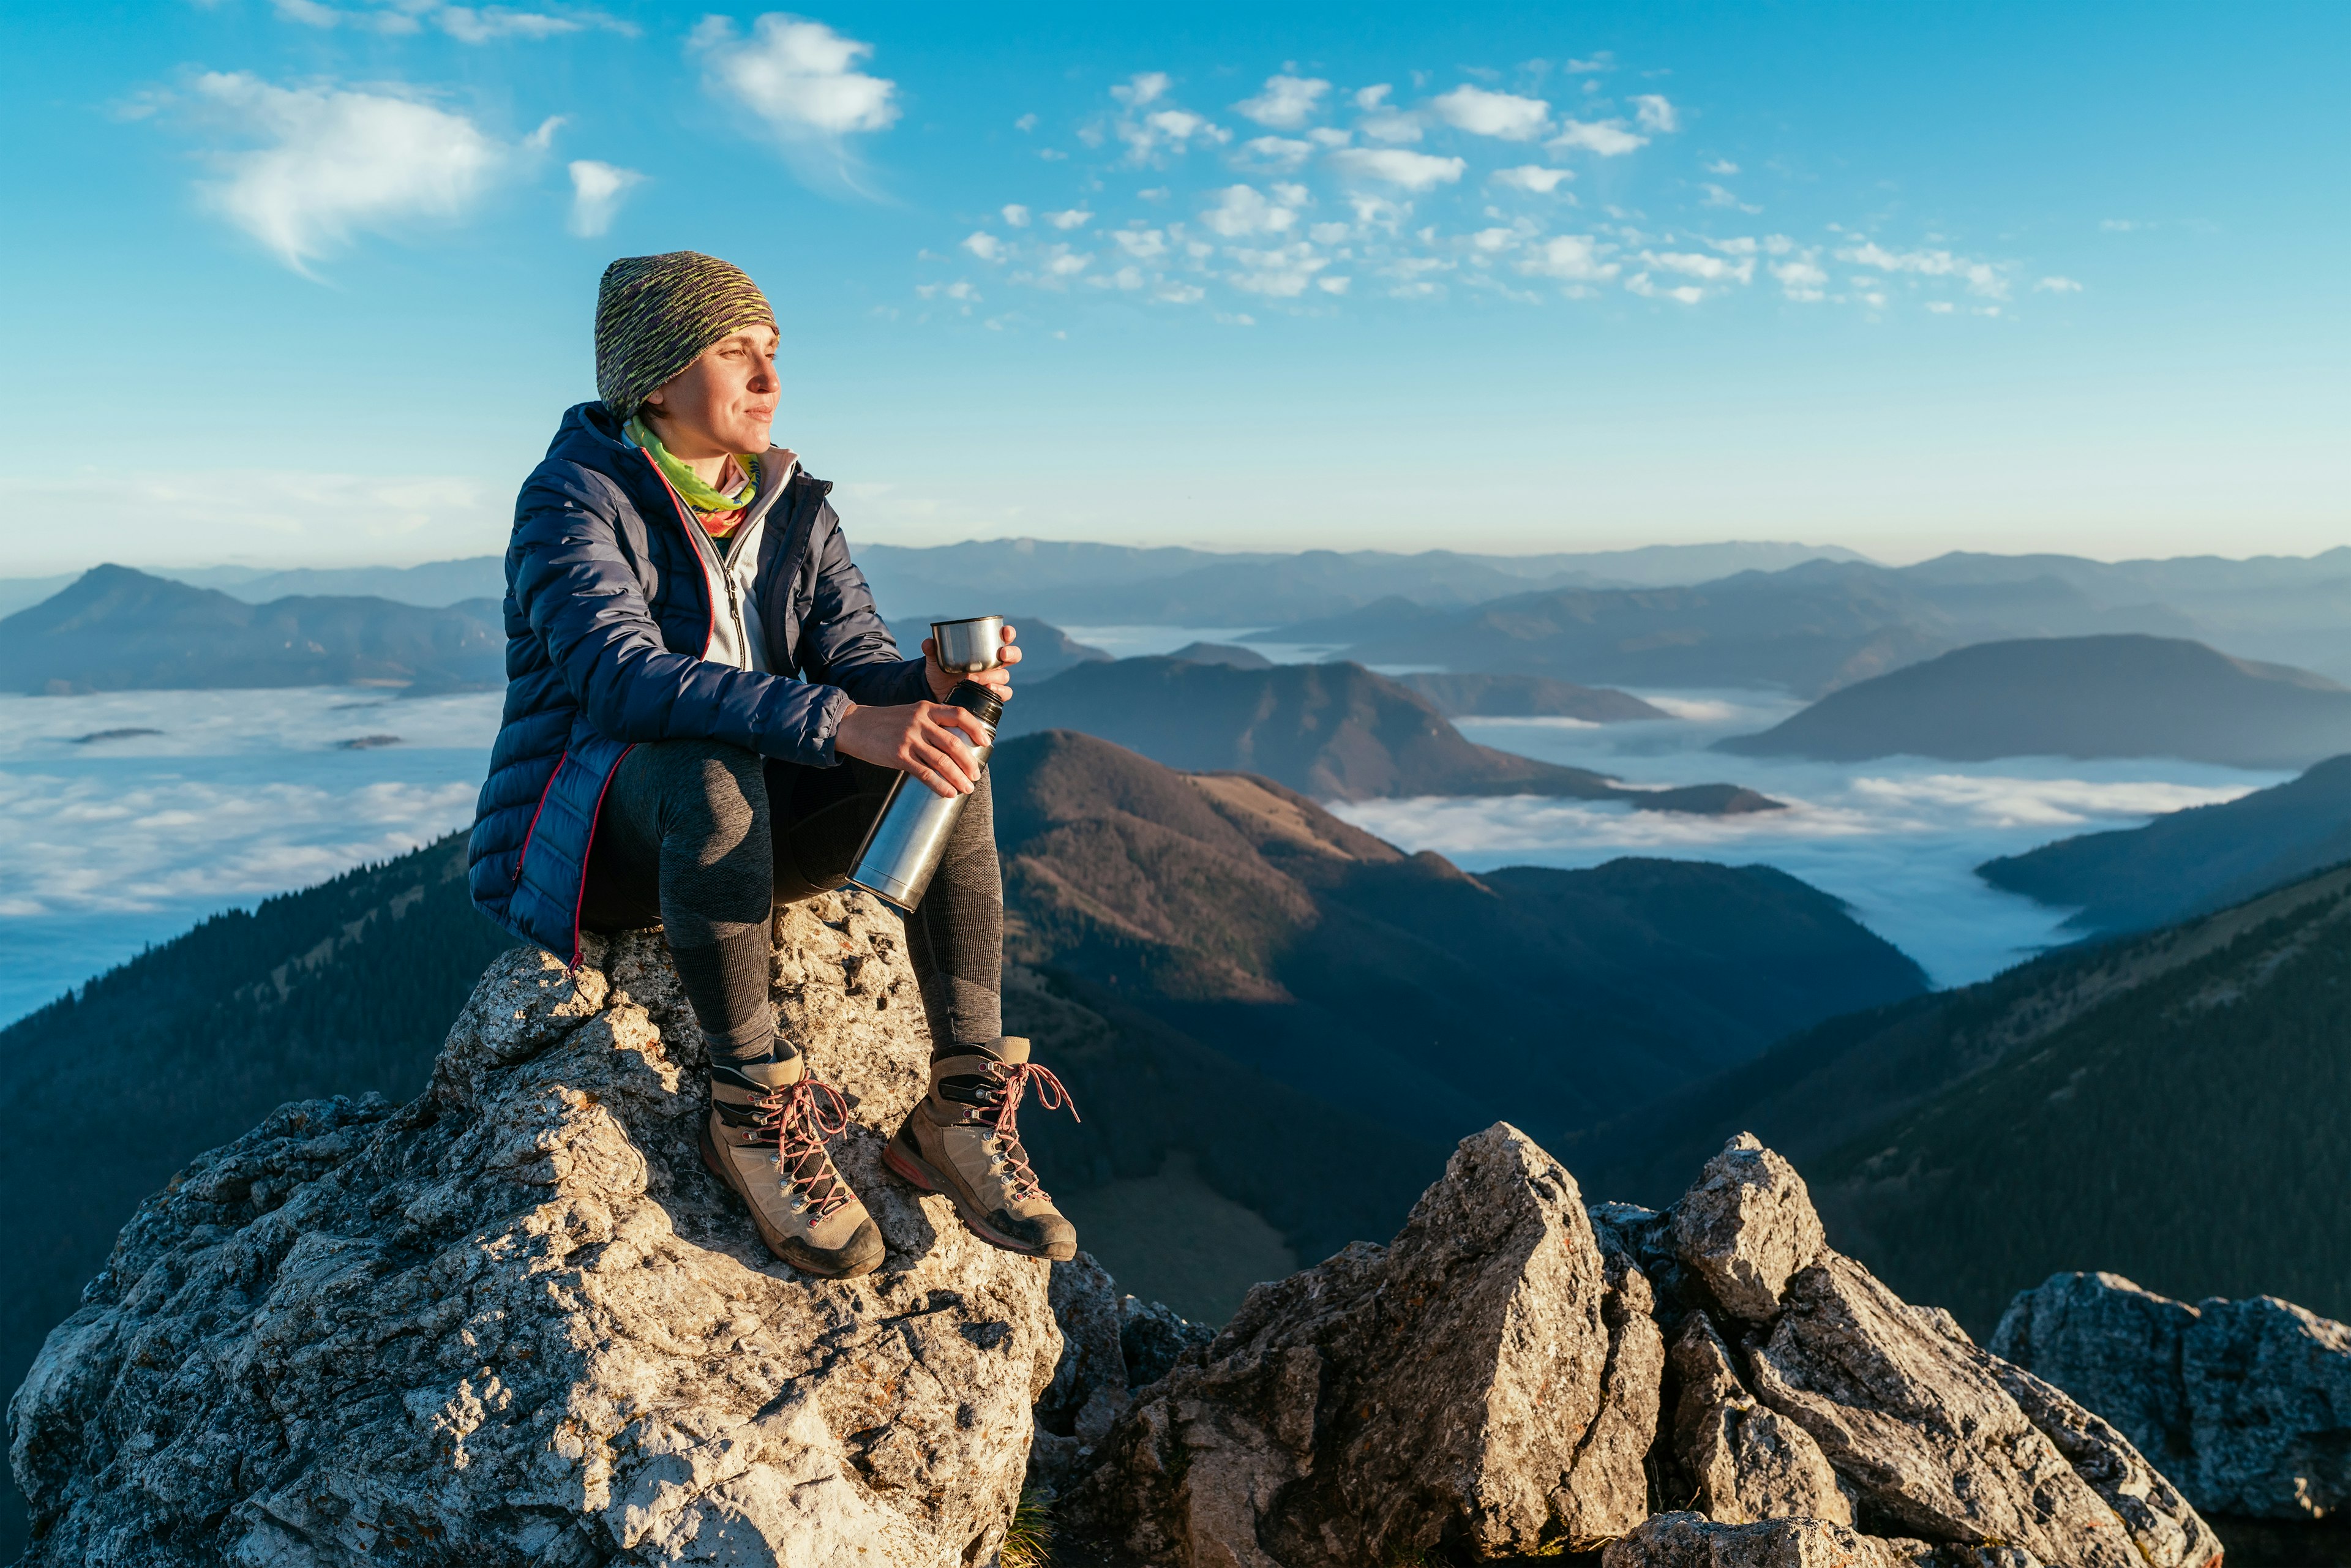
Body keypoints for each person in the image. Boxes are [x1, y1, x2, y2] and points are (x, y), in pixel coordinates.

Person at [467, 250, 1076, 1279]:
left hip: (748, 819)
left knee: (944, 755)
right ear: (655, 381)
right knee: (710, 769)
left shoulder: (792, 503)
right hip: (601, 836)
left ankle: (962, 1106)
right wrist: (843, 719)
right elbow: (620, 680)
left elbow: (854, 663)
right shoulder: (573, 499)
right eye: (734, 352)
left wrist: (918, 689)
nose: (767, 378)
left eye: (773, 353)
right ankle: (749, 1109)